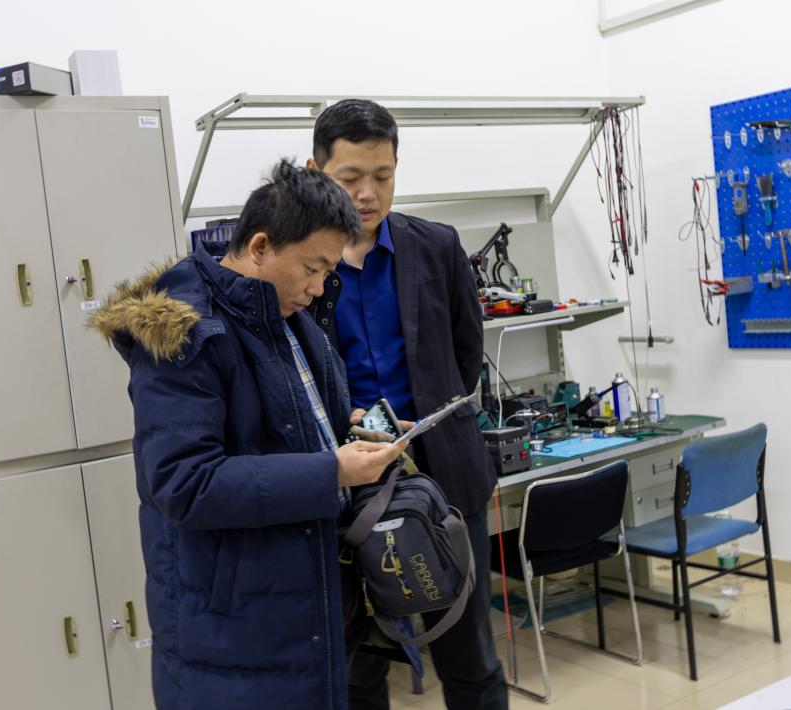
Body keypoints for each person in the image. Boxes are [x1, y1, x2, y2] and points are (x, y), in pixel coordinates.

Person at [93, 160, 407, 710]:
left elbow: (284, 429)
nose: (318, 287)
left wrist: (346, 429)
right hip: (233, 631)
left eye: (328, 271)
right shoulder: (185, 333)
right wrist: (332, 469)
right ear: (261, 246)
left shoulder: (285, 316)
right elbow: (184, 483)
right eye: (311, 268)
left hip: (303, 608)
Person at [307, 99, 508, 710]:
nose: (368, 194)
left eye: (383, 176)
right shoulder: (301, 264)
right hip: (346, 489)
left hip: (444, 478)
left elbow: (465, 355)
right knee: (358, 667)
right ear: (317, 172)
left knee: (470, 655)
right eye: (350, 178)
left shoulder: (437, 247)